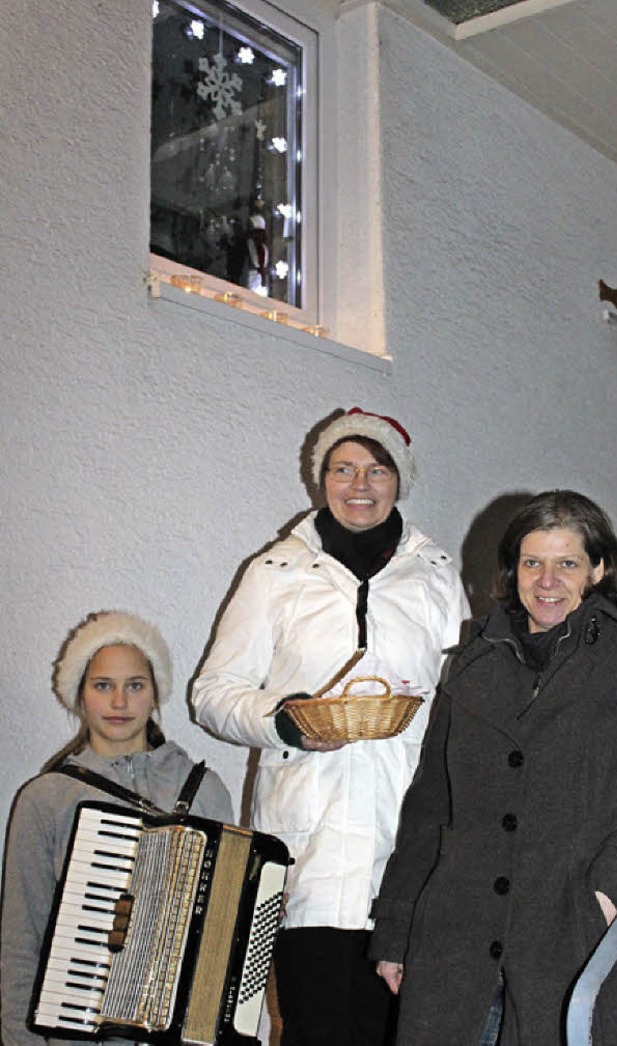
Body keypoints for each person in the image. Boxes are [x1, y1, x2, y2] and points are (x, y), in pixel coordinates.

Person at [191, 407, 469, 1045]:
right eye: (342, 469)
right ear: (321, 480)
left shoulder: (436, 575)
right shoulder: (275, 574)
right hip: (307, 849)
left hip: (408, 850)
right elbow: (212, 693)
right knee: (314, 1028)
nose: (359, 483)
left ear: (400, 480)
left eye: (376, 469)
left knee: (400, 1030)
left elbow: (463, 702)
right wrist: (283, 723)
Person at [371, 489, 617, 1046]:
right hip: (454, 939)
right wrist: (397, 931)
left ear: (599, 569)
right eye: (532, 562)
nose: (547, 581)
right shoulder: (474, 660)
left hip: (568, 937)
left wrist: (610, 886)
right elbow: (430, 804)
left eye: (567, 563)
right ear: (512, 570)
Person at [0, 610, 233, 1046]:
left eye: (135, 686)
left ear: (155, 694)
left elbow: (221, 938)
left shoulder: (204, 791)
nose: (119, 703)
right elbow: (19, 942)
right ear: (80, 695)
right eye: (102, 685)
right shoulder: (45, 799)